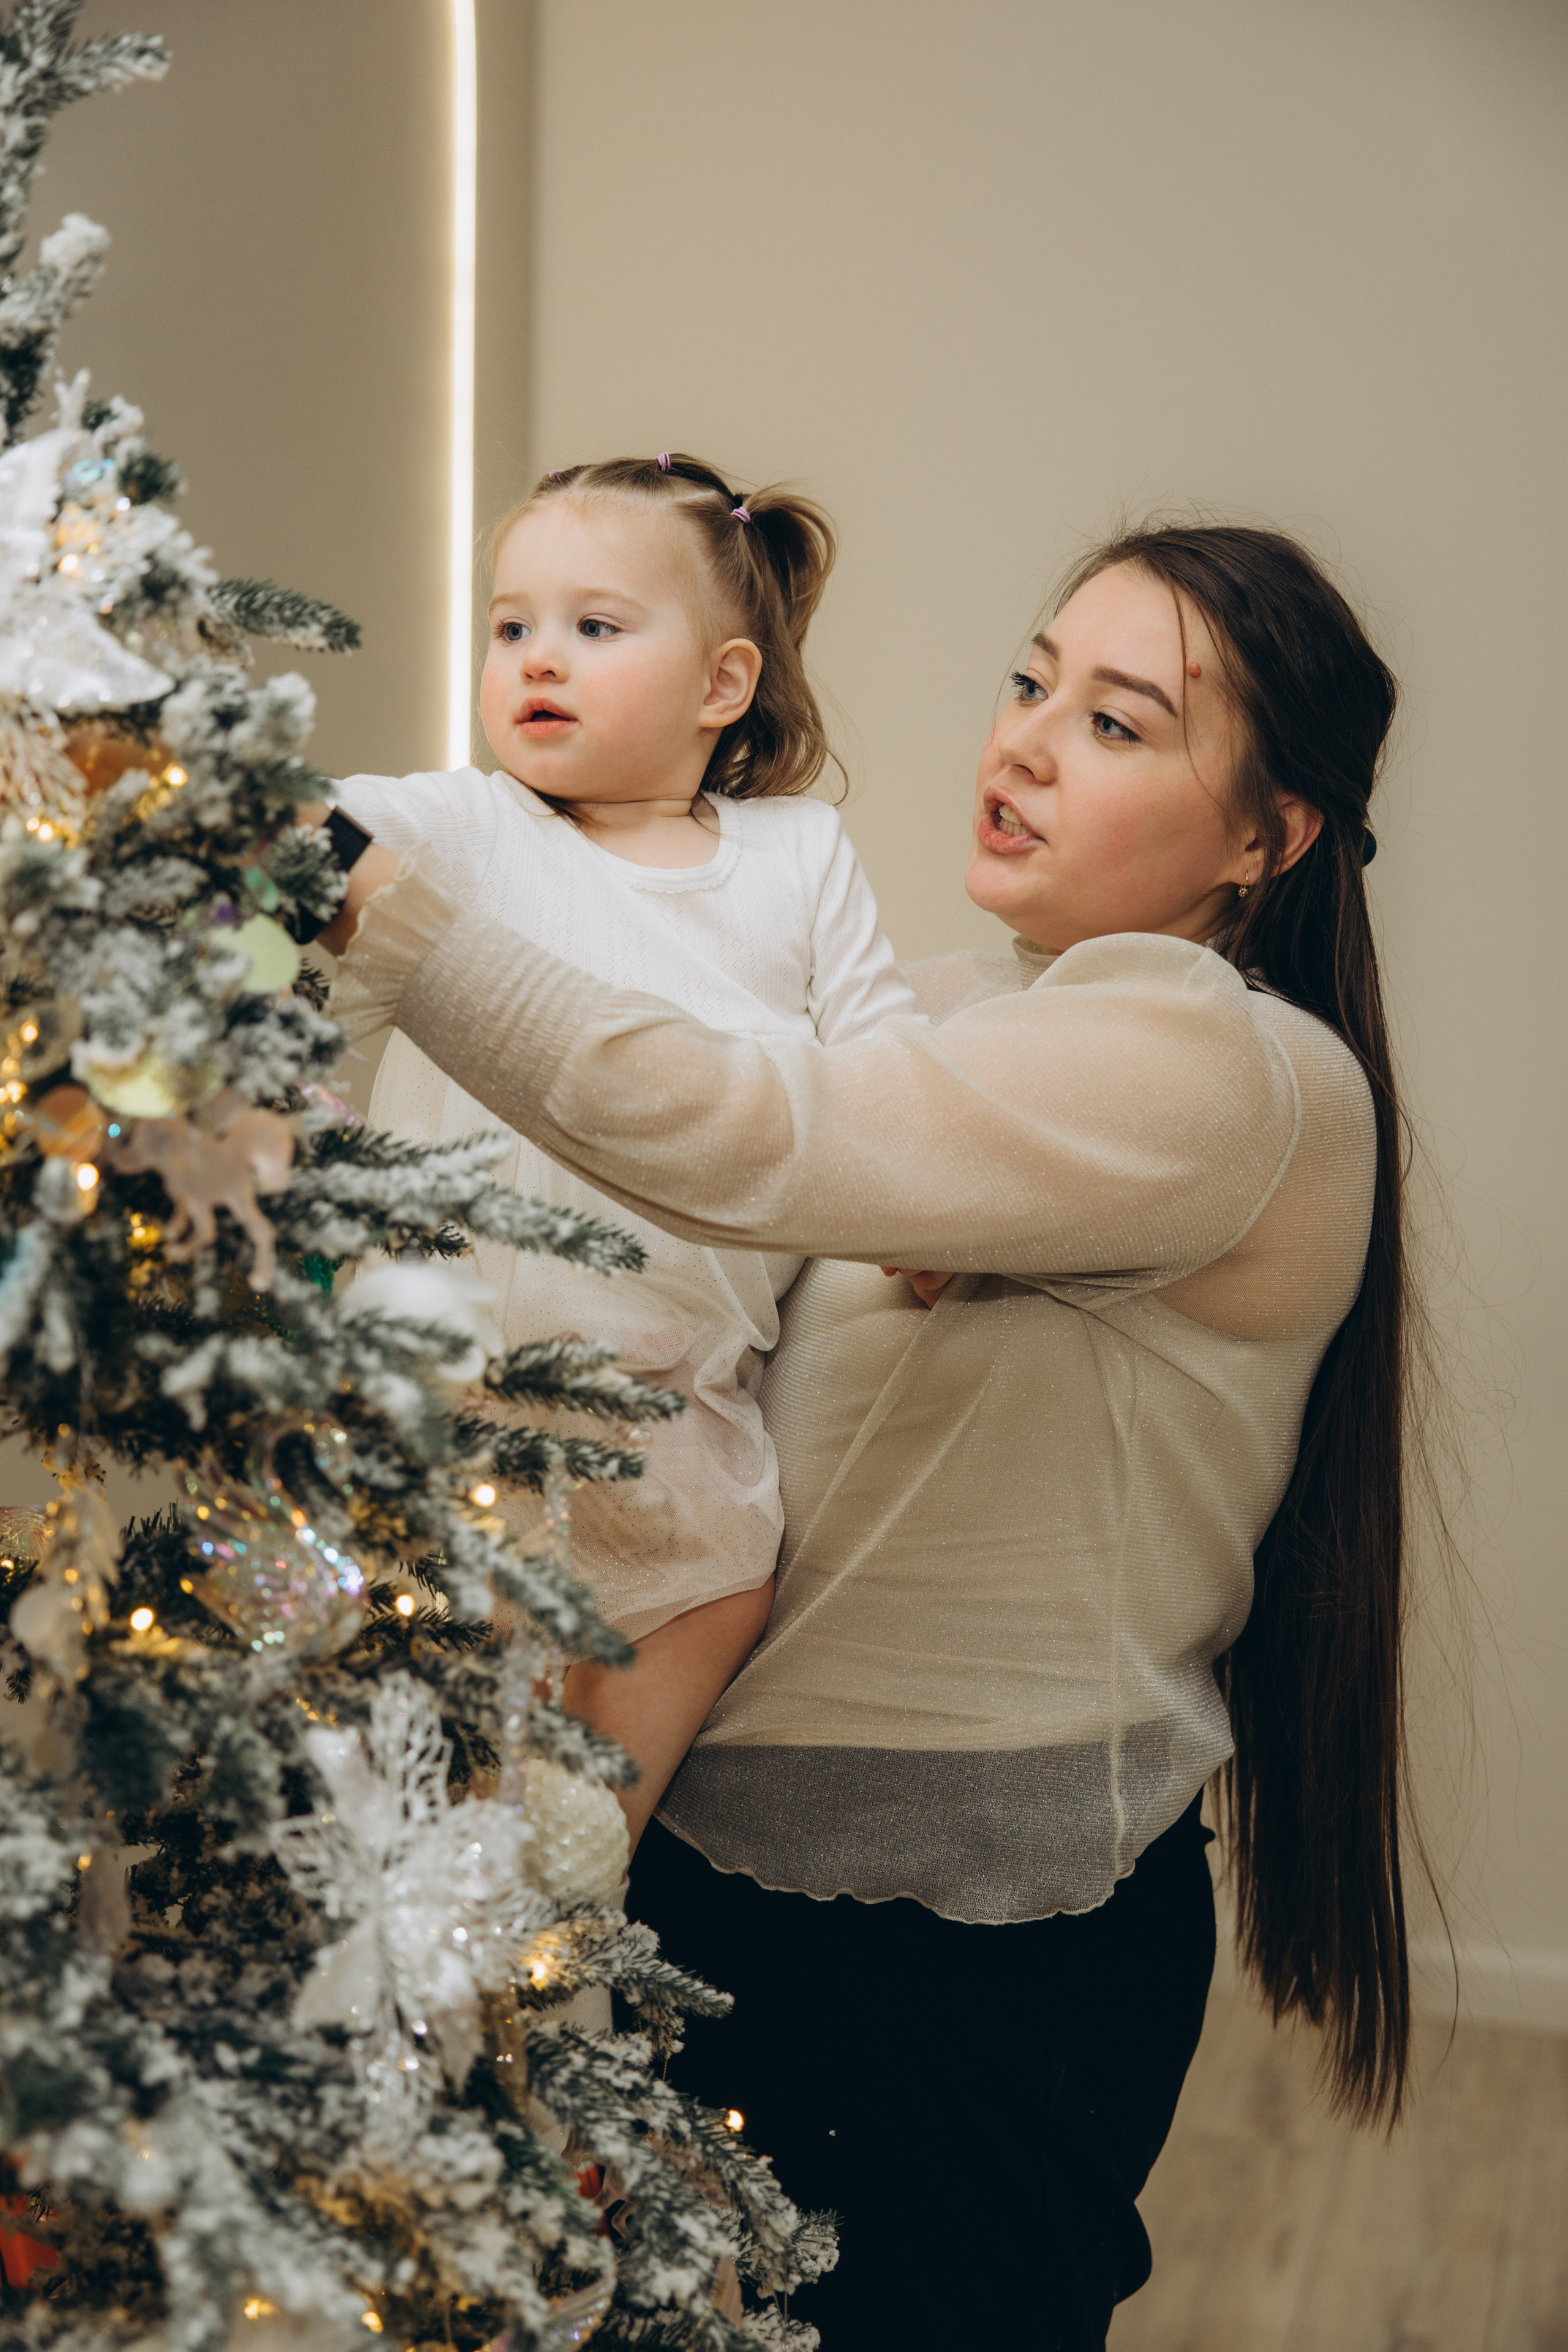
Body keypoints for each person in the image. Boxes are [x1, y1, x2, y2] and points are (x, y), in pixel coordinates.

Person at [323, 522, 1415, 2350]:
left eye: (1122, 724)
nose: (1028, 744)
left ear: (1266, 836)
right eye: (1028, 681)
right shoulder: (968, 1027)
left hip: (963, 1970)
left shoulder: (1231, 1069)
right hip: (723, 1892)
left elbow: (749, 1133)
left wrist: (404, 924)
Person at [326, 453, 911, 1844]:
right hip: (444, 1391)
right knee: (428, 1757)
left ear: (722, 686)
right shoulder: (476, 827)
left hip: (676, 1397)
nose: (538, 658)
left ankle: (590, 1858)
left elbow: (889, 1070)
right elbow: (331, 838)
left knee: (717, 1580)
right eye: (510, 625)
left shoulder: (795, 856)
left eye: (593, 627)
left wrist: (921, 1226)